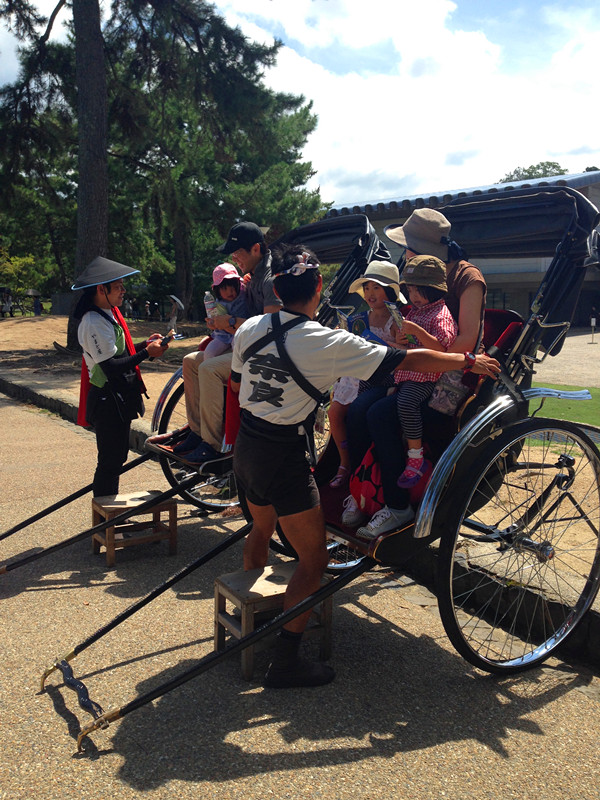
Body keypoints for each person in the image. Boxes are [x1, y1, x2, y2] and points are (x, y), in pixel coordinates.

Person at [230, 242, 500, 688]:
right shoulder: (326, 340)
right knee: (314, 558)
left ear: (276, 287)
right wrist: (466, 359)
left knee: (260, 529)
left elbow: (239, 382)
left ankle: (259, 620)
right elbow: (409, 358)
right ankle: (286, 662)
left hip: (248, 447)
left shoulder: (250, 328)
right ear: (318, 288)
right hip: (283, 456)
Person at [343, 207, 487, 537]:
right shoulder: (418, 277)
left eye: (407, 247)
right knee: (358, 407)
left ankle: (397, 505)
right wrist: (400, 338)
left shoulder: (467, 278)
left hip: (449, 372)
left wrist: (415, 346)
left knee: (380, 414)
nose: (403, 254)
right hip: (412, 364)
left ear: (424, 251)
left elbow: (463, 342)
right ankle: (364, 490)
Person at [175, 221, 281, 463]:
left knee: (208, 369)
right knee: (190, 361)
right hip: (245, 343)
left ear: (255, 249)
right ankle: (197, 430)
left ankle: (211, 444)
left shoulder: (269, 276)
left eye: (237, 254)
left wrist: (230, 321)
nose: (235, 259)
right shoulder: (253, 273)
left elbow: (270, 328)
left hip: (265, 351)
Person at [72, 257, 168, 497]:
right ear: (100, 289)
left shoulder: (108, 313)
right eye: (118, 287)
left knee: (116, 459)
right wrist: (147, 352)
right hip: (106, 399)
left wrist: (145, 344)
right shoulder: (93, 321)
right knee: (109, 462)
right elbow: (111, 366)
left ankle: (109, 519)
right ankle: (105, 522)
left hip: (116, 398)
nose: (124, 291)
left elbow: (120, 352)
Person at [327, 260, 403, 489]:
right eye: (367, 288)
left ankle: (365, 467)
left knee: (360, 417)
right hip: (354, 375)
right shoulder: (359, 318)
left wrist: (377, 342)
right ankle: (344, 462)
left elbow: (402, 351)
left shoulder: (396, 319)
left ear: (389, 291)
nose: (370, 293)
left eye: (376, 288)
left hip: (378, 376)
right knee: (334, 413)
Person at [393, 255, 457, 487]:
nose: (414, 297)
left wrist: (417, 332)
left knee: (406, 403)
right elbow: (409, 340)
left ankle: (415, 457)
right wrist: (400, 338)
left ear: (434, 289)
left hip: (426, 375)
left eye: (419, 290)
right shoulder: (414, 312)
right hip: (409, 370)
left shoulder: (441, 314)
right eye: (410, 291)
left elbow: (443, 349)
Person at [202, 263, 249, 360]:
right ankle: (211, 372)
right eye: (224, 289)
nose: (230, 292)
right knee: (208, 352)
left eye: (233, 288)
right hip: (222, 336)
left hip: (238, 334)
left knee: (237, 348)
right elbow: (214, 319)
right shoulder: (217, 304)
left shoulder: (244, 295)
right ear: (217, 290)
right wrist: (212, 324)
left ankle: (234, 373)